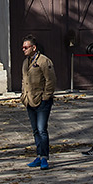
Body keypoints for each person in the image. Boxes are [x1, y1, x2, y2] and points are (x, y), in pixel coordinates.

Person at [20, 36, 56, 170]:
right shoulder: (25, 62)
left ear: (33, 48)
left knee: (42, 130)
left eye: (26, 47)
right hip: (29, 100)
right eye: (23, 47)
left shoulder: (44, 61)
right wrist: (23, 95)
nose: (23, 49)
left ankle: (45, 157)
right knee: (35, 130)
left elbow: (50, 80)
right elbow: (24, 80)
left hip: (41, 101)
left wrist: (46, 97)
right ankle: (39, 155)